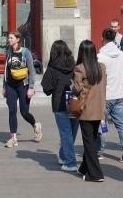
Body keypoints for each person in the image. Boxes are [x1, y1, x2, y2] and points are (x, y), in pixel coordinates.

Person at [98, 27, 123, 162]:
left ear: (102, 38)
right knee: (121, 124)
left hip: (105, 96)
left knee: (102, 125)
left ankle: (98, 151)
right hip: (119, 94)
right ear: (115, 39)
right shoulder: (120, 55)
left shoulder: (100, 57)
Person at [72, 39, 107, 182]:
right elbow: (104, 87)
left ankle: (95, 174)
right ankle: (83, 168)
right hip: (99, 108)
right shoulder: (101, 67)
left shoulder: (80, 68)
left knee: (89, 142)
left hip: (85, 109)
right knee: (92, 139)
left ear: (82, 52)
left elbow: (77, 88)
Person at [41, 39, 79, 172]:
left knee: (65, 133)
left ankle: (70, 162)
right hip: (75, 102)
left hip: (60, 103)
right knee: (71, 132)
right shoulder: (74, 65)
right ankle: (64, 156)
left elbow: (46, 88)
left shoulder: (52, 67)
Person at [2, 30, 40, 147]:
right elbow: (6, 70)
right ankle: (13, 138)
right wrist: (4, 86)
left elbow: (32, 70)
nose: (9, 40)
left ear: (18, 39)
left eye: (11, 38)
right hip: (10, 85)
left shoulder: (25, 52)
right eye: (9, 38)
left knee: (24, 112)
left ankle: (35, 125)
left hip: (23, 85)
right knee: (12, 110)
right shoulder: (8, 52)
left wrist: (31, 87)